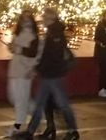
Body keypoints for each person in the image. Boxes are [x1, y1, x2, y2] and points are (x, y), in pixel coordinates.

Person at [16, 7, 80, 140]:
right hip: (48, 75)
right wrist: (38, 69)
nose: (42, 20)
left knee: (62, 104)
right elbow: (48, 56)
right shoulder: (52, 32)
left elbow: (52, 58)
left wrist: (36, 69)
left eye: (44, 18)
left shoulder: (55, 35)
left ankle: (73, 131)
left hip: (54, 76)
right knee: (40, 104)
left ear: (51, 19)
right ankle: (30, 132)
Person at [6, 10, 39, 138]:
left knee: (21, 99)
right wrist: (12, 47)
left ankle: (18, 125)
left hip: (25, 71)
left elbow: (33, 52)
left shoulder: (33, 36)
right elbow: (15, 48)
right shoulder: (17, 33)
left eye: (28, 18)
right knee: (14, 97)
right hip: (14, 69)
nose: (25, 21)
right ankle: (37, 113)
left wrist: (18, 49)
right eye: (23, 19)